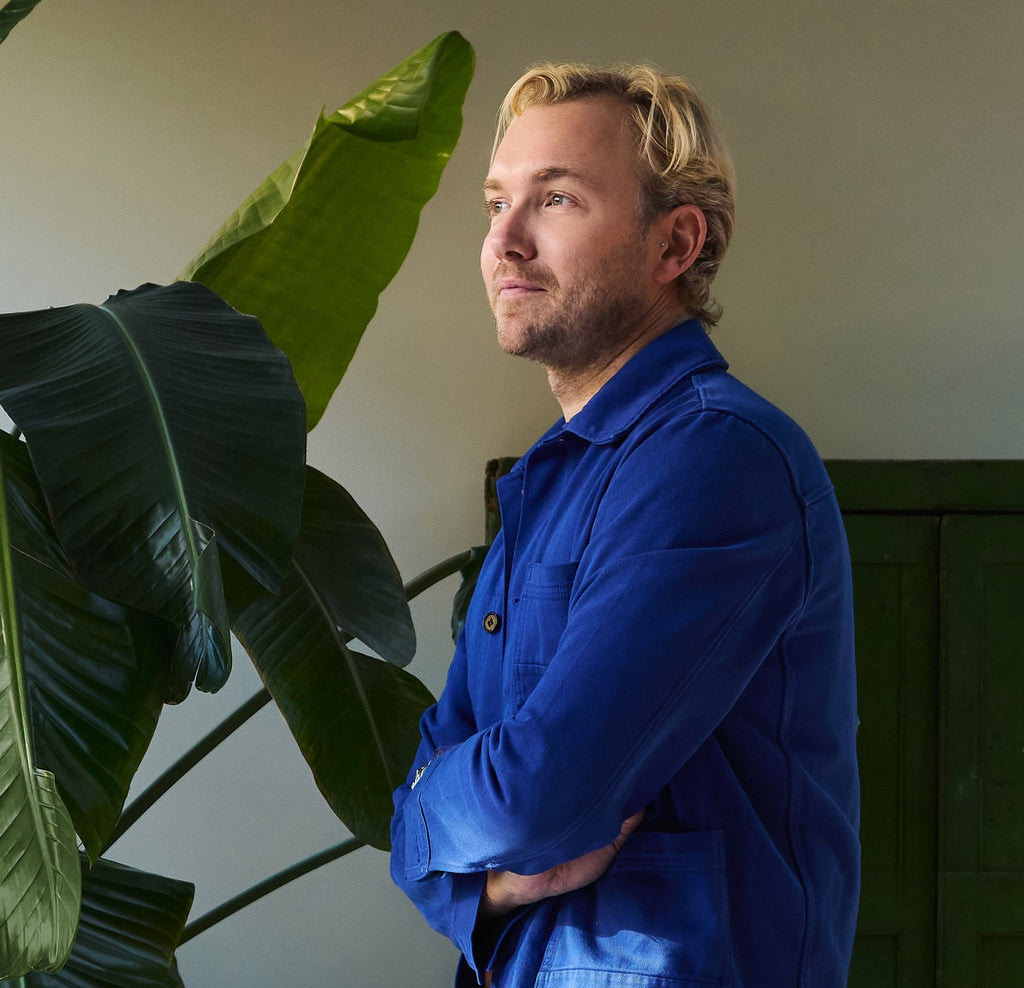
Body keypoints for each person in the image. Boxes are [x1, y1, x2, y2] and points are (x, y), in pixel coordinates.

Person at [391, 62, 860, 987]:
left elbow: (535, 794)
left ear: (675, 242)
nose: (504, 242)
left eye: (555, 199)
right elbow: (431, 800)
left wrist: (435, 819)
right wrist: (488, 884)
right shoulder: (548, 480)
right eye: (496, 204)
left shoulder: (715, 454)